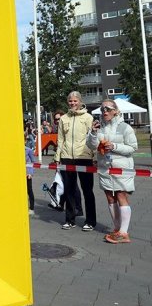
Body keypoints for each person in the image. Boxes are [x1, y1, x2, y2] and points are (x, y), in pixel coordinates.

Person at [86, 99, 138, 244]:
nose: (105, 112)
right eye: (102, 109)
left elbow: (133, 147)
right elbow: (91, 145)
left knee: (121, 196)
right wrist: (93, 132)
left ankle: (123, 232)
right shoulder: (99, 127)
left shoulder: (125, 127)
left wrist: (114, 146)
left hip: (122, 168)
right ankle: (117, 228)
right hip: (105, 167)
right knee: (110, 197)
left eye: (108, 109)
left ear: (115, 111)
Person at [53, 91, 96, 231]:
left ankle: (90, 221)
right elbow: (60, 139)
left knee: (87, 190)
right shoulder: (64, 118)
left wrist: (93, 156)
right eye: (70, 101)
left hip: (84, 157)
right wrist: (57, 157)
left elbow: (93, 138)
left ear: (80, 101)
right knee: (69, 189)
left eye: (75, 101)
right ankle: (70, 219)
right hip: (67, 157)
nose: (72, 103)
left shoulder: (88, 117)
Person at [25, 144, 35, 215]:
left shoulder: (28, 150)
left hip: (27, 173)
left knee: (29, 190)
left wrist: (30, 173)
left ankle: (31, 208)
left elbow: (32, 162)